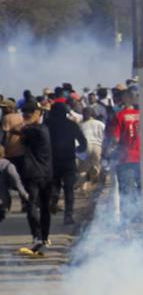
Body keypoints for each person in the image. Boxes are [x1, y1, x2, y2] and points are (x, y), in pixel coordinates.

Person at [17, 102, 53, 256]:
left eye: (29, 113)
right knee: (44, 207)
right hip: (46, 173)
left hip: (34, 174)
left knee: (32, 205)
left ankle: (38, 237)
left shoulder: (33, 130)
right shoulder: (44, 129)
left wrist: (23, 125)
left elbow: (21, 136)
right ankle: (44, 238)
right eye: (24, 113)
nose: (26, 116)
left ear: (38, 113)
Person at [46, 102, 87, 225]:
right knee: (69, 189)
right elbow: (83, 143)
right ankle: (68, 215)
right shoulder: (71, 125)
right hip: (68, 160)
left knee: (54, 185)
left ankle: (53, 201)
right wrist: (76, 150)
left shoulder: (47, 125)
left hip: (52, 161)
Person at [108, 85, 142, 227]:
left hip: (125, 159)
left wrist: (108, 152)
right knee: (142, 192)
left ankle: (127, 225)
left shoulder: (119, 116)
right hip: (142, 159)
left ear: (124, 98)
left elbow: (115, 139)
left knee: (126, 194)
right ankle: (141, 221)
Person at [79, 107, 105, 191]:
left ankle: (83, 187)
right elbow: (105, 137)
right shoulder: (100, 124)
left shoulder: (81, 125)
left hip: (85, 147)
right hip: (98, 146)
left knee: (83, 169)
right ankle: (95, 170)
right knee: (97, 165)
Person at [0, 158, 28, 223]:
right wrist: (24, 194)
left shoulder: (8, 166)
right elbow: (17, 181)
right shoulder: (8, 165)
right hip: (4, 199)